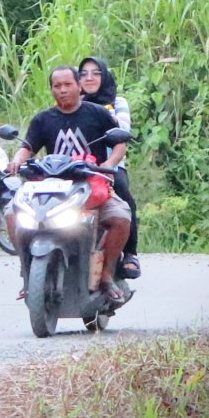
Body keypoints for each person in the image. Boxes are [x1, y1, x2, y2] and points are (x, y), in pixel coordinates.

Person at [6, 65, 132, 303]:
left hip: (92, 186)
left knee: (121, 217)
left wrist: (109, 163)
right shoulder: (43, 119)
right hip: (51, 191)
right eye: (57, 86)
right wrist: (16, 161)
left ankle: (106, 276)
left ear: (78, 86)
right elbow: (28, 147)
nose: (63, 90)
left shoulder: (97, 113)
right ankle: (27, 271)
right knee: (12, 214)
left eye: (68, 85)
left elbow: (120, 142)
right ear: (51, 90)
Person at [78, 56, 141, 279]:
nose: (89, 77)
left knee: (123, 194)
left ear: (104, 76)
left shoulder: (117, 102)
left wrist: (97, 111)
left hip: (108, 166)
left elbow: (122, 130)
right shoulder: (72, 101)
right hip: (77, 167)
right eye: (84, 73)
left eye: (96, 73)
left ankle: (130, 252)